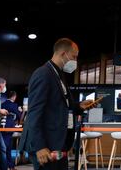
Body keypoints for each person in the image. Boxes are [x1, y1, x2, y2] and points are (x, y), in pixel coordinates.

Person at [19, 38, 98, 170]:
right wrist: (40, 146)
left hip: (57, 143)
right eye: (74, 56)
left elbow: (60, 106)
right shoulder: (43, 74)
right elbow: (34, 112)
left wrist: (79, 106)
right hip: (45, 145)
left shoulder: (58, 74)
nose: (75, 61)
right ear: (63, 54)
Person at [0, 91, 22, 170]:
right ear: (14, 97)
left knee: (8, 148)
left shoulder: (3, 104)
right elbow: (19, 115)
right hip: (9, 128)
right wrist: (20, 111)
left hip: (1, 127)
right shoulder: (14, 105)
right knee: (3, 149)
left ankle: (11, 166)